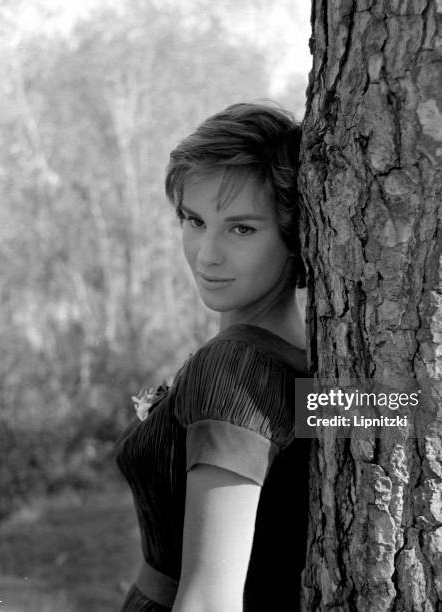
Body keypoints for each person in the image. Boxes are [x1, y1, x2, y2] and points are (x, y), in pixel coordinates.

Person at [115, 102, 309, 612]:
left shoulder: (235, 369)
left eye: (241, 228)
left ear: (294, 236)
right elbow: (438, 412)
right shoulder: (302, 365)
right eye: (195, 220)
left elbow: (208, 602)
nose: (207, 254)